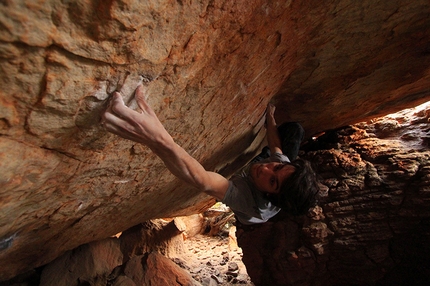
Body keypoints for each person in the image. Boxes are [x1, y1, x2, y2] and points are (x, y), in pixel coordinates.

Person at [102, 85, 318, 225]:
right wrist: (270, 118)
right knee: (294, 132)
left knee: (259, 168)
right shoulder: (282, 169)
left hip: (250, 212)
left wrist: (157, 139)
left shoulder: (250, 203)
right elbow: (276, 149)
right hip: (271, 182)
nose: (266, 168)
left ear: (271, 195)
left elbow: (201, 179)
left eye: (273, 181)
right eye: (277, 168)